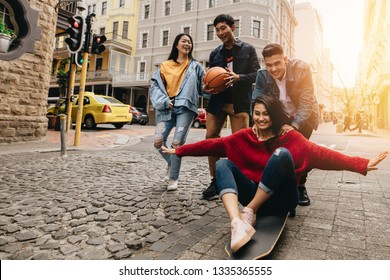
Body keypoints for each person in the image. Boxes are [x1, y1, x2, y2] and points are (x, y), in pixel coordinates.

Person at [162, 95, 387, 252]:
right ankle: (237, 222)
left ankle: (249, 211)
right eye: (257, 114)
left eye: (266, 114)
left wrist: (362, 163)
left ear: (274, 115)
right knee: (222, 165)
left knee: (281, 154)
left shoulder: (290, 138)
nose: (261, 119)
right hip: (254, 195)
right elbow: (212, 145)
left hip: (282, 199)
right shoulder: (244, 137)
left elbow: (324, 154)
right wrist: (179, 150)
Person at [252, 43, 320, 206]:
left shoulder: (302, 69)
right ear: (264, 63)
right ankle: (276, 186)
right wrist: (255, 122)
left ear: (285, 59)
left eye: (277, 63)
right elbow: (256, 100)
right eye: (269, 65)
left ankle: (300, 187)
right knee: (277, 151)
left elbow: (306, 102)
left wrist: (295, 125)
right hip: (281, 115)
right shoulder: (262, 75)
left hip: (305, 116)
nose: (273, 69)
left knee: (300, 152)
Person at [202, 14, 260, 200]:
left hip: (239, 102)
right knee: (211, 139)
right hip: (218, 101)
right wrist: (207, 87)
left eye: (223, 28)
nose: (220, 33)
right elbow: (212, 77)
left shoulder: (248, 49)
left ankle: (239, 181)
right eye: (217, 29)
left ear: (232, 27)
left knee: (239, 144)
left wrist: (239, 78)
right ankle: (215, 180)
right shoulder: (215, 53)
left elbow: (257, 75)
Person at [150, 33, 205, 191]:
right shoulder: (164, 66)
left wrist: (211, 87)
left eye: (190, 42)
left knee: (177, 144)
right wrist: (165, 102)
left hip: (186, 108)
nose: (187, 44)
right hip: (166, 108)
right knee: (158, 141)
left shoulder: (196, 66)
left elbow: (205, 86)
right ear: (176, 45)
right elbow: (155, 87)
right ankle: (171, 163)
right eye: (184, 41)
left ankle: (173, 177)